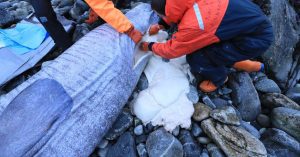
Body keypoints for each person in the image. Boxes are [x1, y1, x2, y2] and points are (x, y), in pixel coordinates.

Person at [140, 0, 274, 92]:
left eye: (160, 15)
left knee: (197, 57)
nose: (159, 17)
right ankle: (248, 65)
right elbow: (177, 11)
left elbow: (172, 50)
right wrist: (161, 24)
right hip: (249, 23)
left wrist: (150, 46)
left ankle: (219, 78)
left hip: (253, 40)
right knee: (219, 49)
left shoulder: (193, 25)